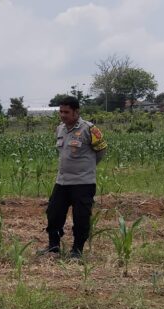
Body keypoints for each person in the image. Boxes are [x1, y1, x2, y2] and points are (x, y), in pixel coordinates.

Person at [38, 96, 107, 259]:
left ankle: (77, 250)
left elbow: (101, 151)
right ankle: (53, 246)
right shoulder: (60, 129)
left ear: (76, 112)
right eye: (60, 111)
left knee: (81, 217)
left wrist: (87, 168)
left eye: (66, 112)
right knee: (53, 214)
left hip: (83, 182)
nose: (62, 115)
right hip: (62, 182)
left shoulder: (89, 129)